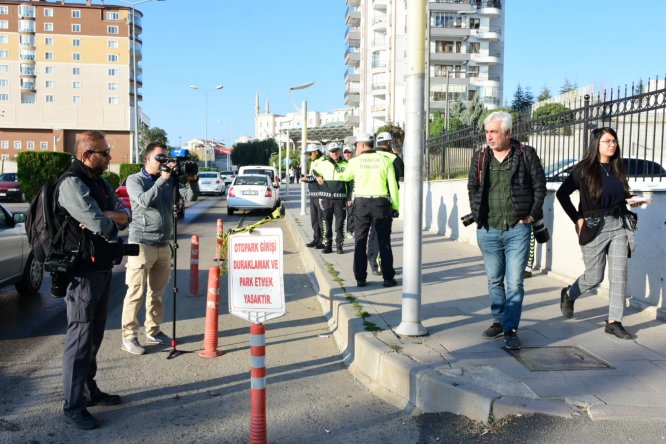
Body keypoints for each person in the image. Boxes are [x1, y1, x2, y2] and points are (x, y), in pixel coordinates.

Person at [56, 131, 131, 429]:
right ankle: (73, 405)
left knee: (94, 335)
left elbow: (125, 214)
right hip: (81, 272)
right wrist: (109, 218)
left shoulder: (98, 181)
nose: (110, 157)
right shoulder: (72, 182)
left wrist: (111, 215)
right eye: (104, 153)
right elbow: (99, 222)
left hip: (101, 267)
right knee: (80, 338)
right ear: (87, 155)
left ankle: (89, 390)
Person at [467, 111, 546, 350]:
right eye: (487, 132)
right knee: (494, 279)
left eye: (494, 132)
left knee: (514, 282)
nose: (489, 137)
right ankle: (499, 321)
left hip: (517, 229)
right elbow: (472, 186)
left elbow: (539, 186)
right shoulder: (481, 156)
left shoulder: (525, 154)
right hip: (488, 229)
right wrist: (477, 213)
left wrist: (532, 214)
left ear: (508, 132)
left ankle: (511, 328)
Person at [556, 127, 639, 340]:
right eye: (607, 141)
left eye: (614, 141)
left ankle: (614, 321)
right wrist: (577, 219)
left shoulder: (617, 167)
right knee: (594, 276)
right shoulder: (583, 170)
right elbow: (562, 194)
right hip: (593, 227)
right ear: (596, 144)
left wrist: (632, 200)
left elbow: (620, 196)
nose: (612, 145)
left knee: (619, 275)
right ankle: (570, 294)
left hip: (618, 225)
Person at [120, 142, 200, 355]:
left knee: (157, 293)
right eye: (159, 158)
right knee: (135, 293)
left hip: (164, 243)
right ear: (147, 159)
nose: (164, 161)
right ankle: (129, 336)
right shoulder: (135, 180)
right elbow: (143, 202)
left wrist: (192, 180)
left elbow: (191, 197)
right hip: (141, 243)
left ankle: (153, 330)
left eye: (166, 157)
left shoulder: (170, 179)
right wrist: (162, 180)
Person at [338, 133, 400, 288]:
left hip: (362, 204)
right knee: (384, 242)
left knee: (360, 241)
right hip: (381, 203)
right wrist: (395, 206)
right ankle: (388, 278)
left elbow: (345, 177)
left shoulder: (355, 162)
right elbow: (392, 185)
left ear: (361, 145)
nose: (355, 148)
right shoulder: (385, 160)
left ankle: (360, 278)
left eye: (356, 145)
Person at [367, 131, 405, 275]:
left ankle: (372, 259)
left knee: (373, 232)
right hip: (385, 199)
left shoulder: (370, 156)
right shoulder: (393, 158)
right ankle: (379, 263)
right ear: (389, 143)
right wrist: (395, 154)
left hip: (367, 198)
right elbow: (402, 173)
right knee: (382, 234)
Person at [314, 142, 349, 254]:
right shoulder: (323, 163)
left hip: (340, 199)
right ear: (329, 152)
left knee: (340, 223)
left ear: (340, 151)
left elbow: (351, 182)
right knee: (326, 223)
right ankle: (328, 246)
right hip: (326, 199)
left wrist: (349, 198)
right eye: (332, 151)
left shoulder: (346, 164)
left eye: (336, 151)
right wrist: (317, 176)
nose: (334, 153)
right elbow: (314, 171)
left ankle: (339, 246)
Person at [301, 143, 327, 249]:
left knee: (321, 219)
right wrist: (307, 177)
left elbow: (320, 177)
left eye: (310, 153)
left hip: (320, 195)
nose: (309, 155)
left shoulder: (323, 161)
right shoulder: (313, 161)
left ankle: (322, 241)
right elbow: (314, 176)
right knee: (314, 219)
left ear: (316, 152)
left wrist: (307, 179)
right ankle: (316, 239)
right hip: (313, 195)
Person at [342, 145, 355, 239]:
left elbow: (351, 183)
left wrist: (349, 197)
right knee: (341, 215)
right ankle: (342, 232)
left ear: (352, 153)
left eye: (349, 152)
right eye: (345, 152)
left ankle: (350, 231)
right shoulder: (341, 164)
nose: (347, 154)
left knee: (351, 213)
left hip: (351, 193)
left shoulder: (355, 163)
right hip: (341, 193)